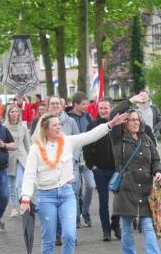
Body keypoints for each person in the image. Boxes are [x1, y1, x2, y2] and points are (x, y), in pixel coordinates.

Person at [20, 111, 128, 254]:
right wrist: (25, 198)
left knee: (70, 234)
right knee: (48, 238)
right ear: (45, 129)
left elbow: (89, 136)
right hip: (46, 196)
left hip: (66, 194)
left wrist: (110, 125)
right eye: (54, 125)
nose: (58, 127)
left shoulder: (67, 142)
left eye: (59, 124)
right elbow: (29, 175)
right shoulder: (36, 148)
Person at [110, 109, 161, 254]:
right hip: (126, 189)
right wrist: (132, 100)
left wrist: (158, 171)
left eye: (137, 120)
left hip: (145, 189)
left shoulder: (146, 139)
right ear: (124, 122)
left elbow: (155, 159)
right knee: (126, 227)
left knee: (148, 226)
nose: (135, 122)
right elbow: (115, 112)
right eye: (131, 120)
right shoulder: (118, 139)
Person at [83, 98, 121, 241]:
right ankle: (106, 230)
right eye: (101, 108)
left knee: (119, 200)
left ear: (111, 108)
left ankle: (115, 223)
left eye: (106, 108)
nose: (103, 110)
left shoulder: (118, 125)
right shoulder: (92, 125)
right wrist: (91, 165)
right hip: (100, 170)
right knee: (103, 202)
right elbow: (86, 145)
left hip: (117, 170)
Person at [47, 96, 79, 245]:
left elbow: (78, 141)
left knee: (72, 199)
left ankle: (71, 233)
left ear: (62, 105)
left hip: (70, 167)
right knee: (58, 201)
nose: (55, 105)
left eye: (57, 103)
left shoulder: (71, 122)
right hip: (52, 169)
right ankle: (59, 234)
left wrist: (75, 159)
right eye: (52, 103)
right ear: (48, 106)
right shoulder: (43, 123)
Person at [67, 92, 95, 227]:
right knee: (75, 189)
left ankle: (85, 211)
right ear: (75, 104)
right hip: (72, 159)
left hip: (87, 157)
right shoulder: (67, 118)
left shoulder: (88, 117)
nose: (86, 106)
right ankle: (76, 217)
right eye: (84, 104)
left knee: (90, 185)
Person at [4, 104, 31, 217]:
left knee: (19, 183)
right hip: (9, 158)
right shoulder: (3, 127)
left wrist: (31, 158)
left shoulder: (23, 126)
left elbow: (27, 144)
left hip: (21, 157)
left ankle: (22, 205)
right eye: (12, 112)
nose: (14, 114)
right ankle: (14, 207)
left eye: (16, 111)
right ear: (8, 114)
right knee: (11, 185)